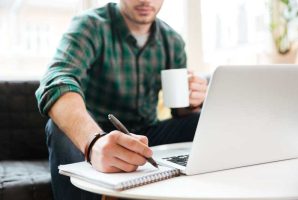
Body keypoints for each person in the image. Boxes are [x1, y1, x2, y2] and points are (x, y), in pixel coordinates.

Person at [35, 0, 208, 199]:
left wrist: (192, 100)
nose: (146, 1)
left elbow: (180, 112)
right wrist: (94, 141)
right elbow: (56, 80)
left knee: (202, 122)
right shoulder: (91, 25)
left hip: (147, 135)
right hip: (98, 133)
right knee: (58, 127)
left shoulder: (172, 40)